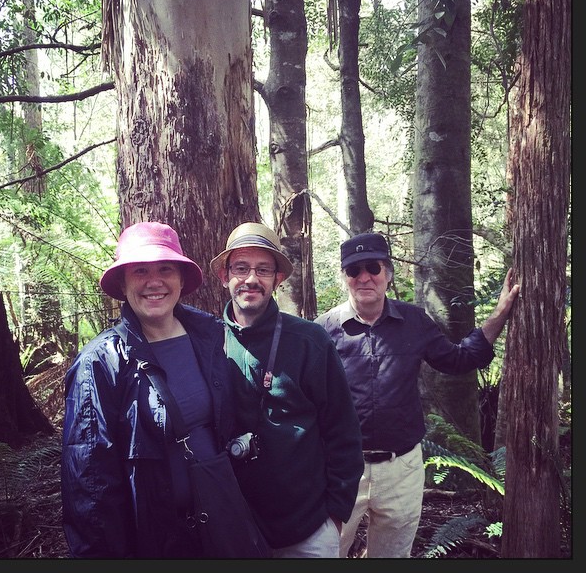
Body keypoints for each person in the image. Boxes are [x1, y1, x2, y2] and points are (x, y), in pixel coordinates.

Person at [314, 231, 521, 558]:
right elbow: (304, 397)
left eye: (373, 267)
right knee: (325, 552)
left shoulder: (414, 322)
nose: (364, 277)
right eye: (354, 270)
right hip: (339, 468)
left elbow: (459, 359)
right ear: (344, 278)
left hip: (402, 469)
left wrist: (500, 313)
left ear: (388, 273)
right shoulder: (323, 330)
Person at [61, 221, 238, 558]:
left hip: (222, 523)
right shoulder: (100, 363)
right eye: (140, 270)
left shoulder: (212, 337)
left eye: (165, 269)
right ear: (123, 283)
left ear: (181, 279)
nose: (154, 281)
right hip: (153, 540)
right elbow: (90, 484)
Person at [210, 222, 364, 558]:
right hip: (236, 529)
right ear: (225, 276)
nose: (251, 278)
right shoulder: (206, 341)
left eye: (263, 269)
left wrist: (335, 515)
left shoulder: (310, 342)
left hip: (308, 529)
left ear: (278, 279)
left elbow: (343, 431)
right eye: (241, 268)